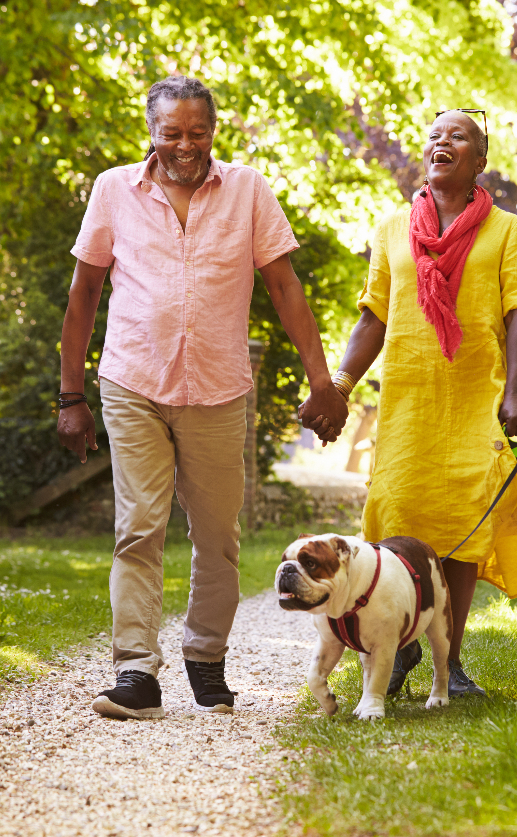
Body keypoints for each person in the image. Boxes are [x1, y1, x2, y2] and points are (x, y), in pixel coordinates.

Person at [57, 76, 348, 720]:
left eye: (198, 132)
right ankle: (136, 672)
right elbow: (83, 294)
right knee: (138, 529)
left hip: (217, 389)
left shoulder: (247, 191)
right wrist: (69, 394)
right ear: (151, 134)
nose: (185, 145)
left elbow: (283, 286)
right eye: (171, 133)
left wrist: (320, 380)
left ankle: (205, 657)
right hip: (133, 381)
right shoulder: (113, 190)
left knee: (217, 536)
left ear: (213, 131)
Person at [309, 109, 517, 697]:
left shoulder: (508, 232)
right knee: (398, 518)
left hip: (477, 397)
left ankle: (448, 663)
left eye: (459, 136)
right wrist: (341, 385)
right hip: (408, 401)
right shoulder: (392, 228)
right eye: (434, 135)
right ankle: (394, 652)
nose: (441, 142)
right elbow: (374, 315)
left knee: (461, 529)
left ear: (480, 160)